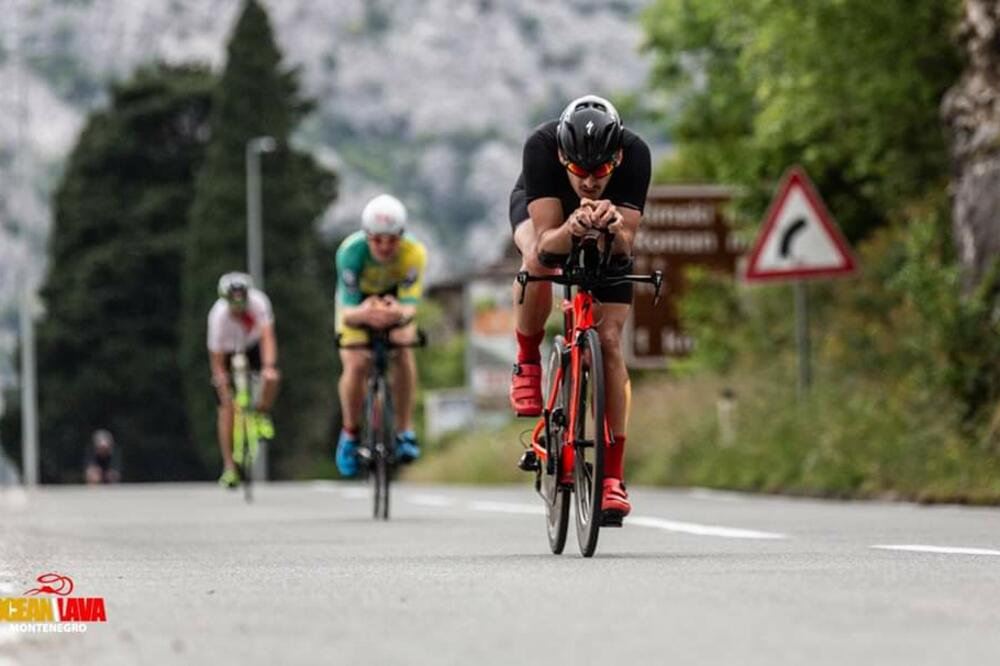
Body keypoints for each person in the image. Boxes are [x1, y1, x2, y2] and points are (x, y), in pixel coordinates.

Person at [507, 94, 651, 520]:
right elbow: (547, 245)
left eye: (601, 171)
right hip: (548, 216)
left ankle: (612, 479)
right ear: (561, 156)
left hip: (605, 231)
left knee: (609, 342)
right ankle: (527, 360)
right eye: (579, 170)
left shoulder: (636, 154)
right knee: (535, 262)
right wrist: (572, 226)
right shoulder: (541, 147)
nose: (589, 182)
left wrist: (613, 229)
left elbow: (625, 248)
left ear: (617, 158)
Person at [334, 194, 427, 477]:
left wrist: (396, 315)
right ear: (367, 236)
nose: (385, 246)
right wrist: (365, 314)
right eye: (377, 240)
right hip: (357, 305)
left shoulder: (414, 253)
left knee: (404, 347)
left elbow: (409, 308)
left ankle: (404, 430)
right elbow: (347, 314)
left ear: (402, 236)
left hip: (394, 305)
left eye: (392, 239)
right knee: (356, 363)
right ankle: (350, 433)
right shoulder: (350, 252)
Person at [207, 272, 281, 488]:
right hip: (228, 351)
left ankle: (261, 414)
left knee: (272, 376)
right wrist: (223, 388)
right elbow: (217, 361)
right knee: (226, 407)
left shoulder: (259, 302)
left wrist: (268, 367)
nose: (239, 307)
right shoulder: (218, 316)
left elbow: (267, 337)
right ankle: (229, 466)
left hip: (253, 344)